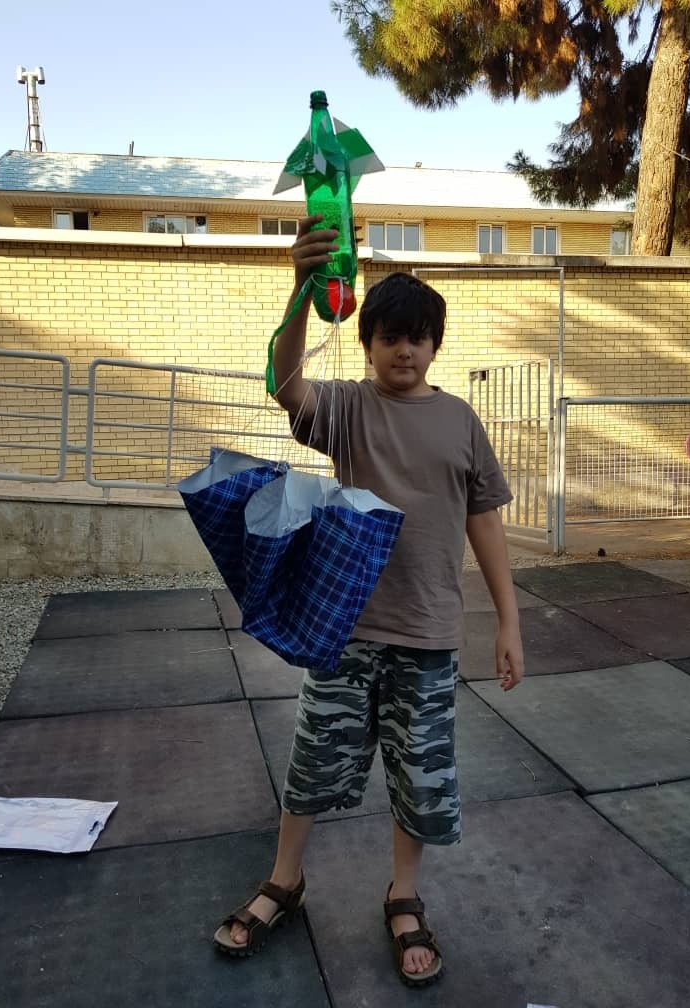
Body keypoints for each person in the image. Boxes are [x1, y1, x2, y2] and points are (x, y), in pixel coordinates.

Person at [213, 215, 524, 986]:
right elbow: (283, 382)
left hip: (429, 633)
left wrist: (508, 622)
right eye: (389, 337)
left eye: (417, 338)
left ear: (435, 345)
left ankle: (403, 894)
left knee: (420, 776)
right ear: (367, 342)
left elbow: (485, 522)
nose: (403, 350)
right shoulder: (348, 408)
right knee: (313, 759)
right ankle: (284, 880)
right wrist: (300, 287)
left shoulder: (460, 421)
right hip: (344, 628)